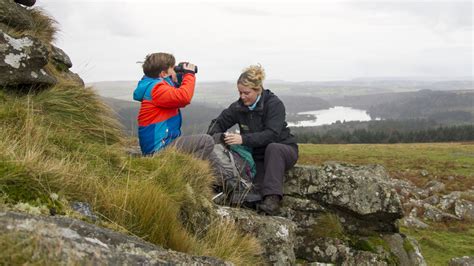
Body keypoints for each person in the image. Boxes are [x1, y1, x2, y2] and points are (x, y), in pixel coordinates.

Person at [207, 64, 298, 215]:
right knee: (253, 195)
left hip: (283, 151)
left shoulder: (274, 104)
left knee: (273, 148)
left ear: (258, 89)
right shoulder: (238, 107)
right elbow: (217, 124)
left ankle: (273, 200)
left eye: (246, 93)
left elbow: (272, 135)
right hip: (258, 156)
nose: (242, 97)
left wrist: (242, 139)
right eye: (240, 92)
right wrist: (220, 137)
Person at [133, 52, 213, 159]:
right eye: (172, 68)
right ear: (163, 74)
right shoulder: (157, 90)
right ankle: (187, 169)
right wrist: (189, 74)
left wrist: (180, 75)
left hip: (160, 144)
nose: (174, 70)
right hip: (158, 150)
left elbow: (171, 87)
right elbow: (183, 97)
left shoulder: (152, 85)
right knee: (206, 141)